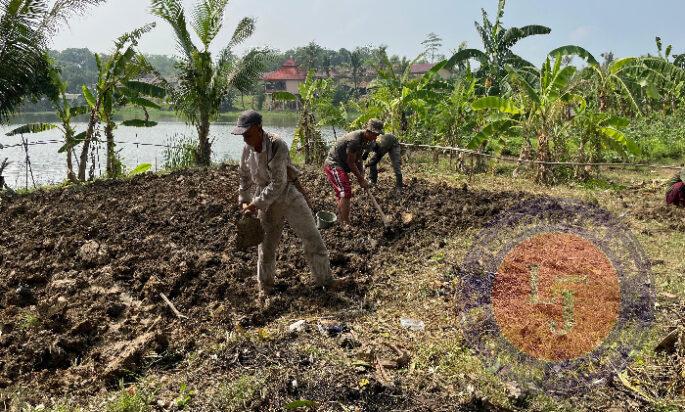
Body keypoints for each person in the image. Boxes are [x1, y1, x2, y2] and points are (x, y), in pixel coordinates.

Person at [232, 110, 338, 296]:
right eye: (243, 136)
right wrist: (244, 200)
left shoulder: (276, 145)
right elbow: (244, 177)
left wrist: (255, 204)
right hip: (264, 197)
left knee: (312, 238)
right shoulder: (247, 149)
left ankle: (326, 281)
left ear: (258, 128)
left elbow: (279, 183)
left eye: (248, 135)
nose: (245, 140)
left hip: (288, 195)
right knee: (266, 246)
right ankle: (265, 286)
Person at [323, 119, 384, 225]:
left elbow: (359, 159)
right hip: (334, 164)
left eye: (378, 134)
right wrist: (360, 178)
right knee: (345, 191)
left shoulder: (368, 141)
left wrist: (362, 175)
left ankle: (342, 218)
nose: (376, 137)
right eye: (374, 134)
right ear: (367, 131)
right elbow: (351, 162)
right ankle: (345, 223)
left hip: (342, 165)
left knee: (343, 193)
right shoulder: (354, 140)